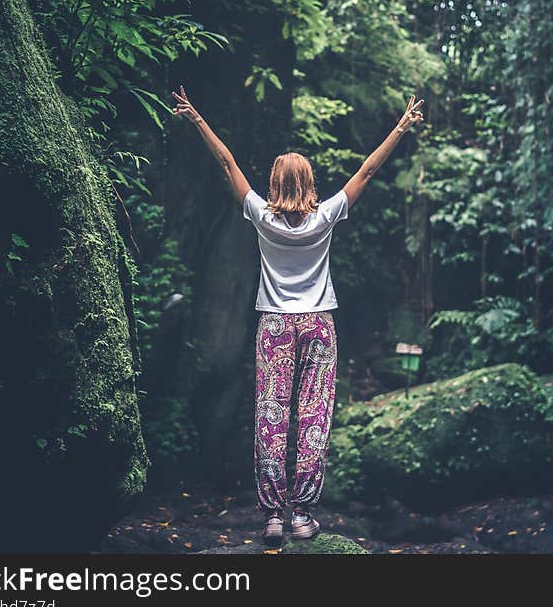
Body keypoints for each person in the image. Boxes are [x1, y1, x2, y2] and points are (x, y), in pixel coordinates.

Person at [171, 85, 424, 544]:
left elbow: (226, 163)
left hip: (274, 326)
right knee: (313, 414)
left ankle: (272, 517)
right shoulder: (326, 216)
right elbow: (368, 169)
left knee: (271, 415)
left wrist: (197, 119)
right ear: (308, 183)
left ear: (274, 183)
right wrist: (401, 127)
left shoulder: (261, 217)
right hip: (319, 324)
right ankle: (303, 515)